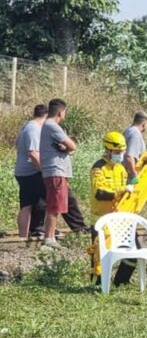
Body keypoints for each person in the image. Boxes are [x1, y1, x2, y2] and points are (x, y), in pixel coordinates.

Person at [90, 131, 136, 285]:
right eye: (117, 152)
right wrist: (122, 191)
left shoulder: (121, 169)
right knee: (100, 257)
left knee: (133, 254)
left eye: (122, 152)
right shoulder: (98, 168)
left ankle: (121, 282)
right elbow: (100, 193)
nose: (120, 155)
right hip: (102, 219)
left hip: (120, 219)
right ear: (108, 150)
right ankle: (97, 286)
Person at [37, 98, 76, 247]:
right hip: (56, 170)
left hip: (54, 170)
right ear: (61, 111)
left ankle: (51, 236)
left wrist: (65, 147)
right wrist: (68, 147)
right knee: (55, 205)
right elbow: (72, 145)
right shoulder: (53, 126)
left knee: (55, 204)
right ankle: (49, 238)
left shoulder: (48, 126)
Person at [13, 104, 46, 240]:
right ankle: (42, 230)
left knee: (27, 204)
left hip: (22, 171)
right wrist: (44, 170)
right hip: (31, 171)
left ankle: (24, 236)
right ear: (46, 116)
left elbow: (17, 145)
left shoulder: (26, 126)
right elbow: (33, 153)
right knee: (47, 199)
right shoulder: (34, 129)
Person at [122, 110, 147, 185]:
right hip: (129, 175)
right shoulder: (135, 134)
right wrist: (134, 176)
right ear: (144, 124)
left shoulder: (128, 131)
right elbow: (129, 157)